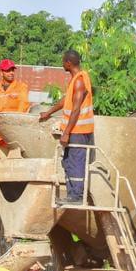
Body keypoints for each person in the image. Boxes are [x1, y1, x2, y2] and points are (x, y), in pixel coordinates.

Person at [39, 49, 95, 204]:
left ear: (69, 63)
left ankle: (77, 196)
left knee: (76, 162)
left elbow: (76, 109)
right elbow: (66, 100)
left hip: (78, 131)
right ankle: (72, 195)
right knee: (69, 162)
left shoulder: (79, 81)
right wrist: (49, 112)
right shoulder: (75, 79)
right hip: (75, 130)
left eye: (63, 61)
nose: (62, 63)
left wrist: (66, 133)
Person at [0, 59, 32, 149]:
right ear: (1, 72)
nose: (11, 73)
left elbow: (23, 109)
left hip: (14, 137)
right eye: (8, 71)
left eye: (12, 70)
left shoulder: (21, 88)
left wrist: (13, 131)